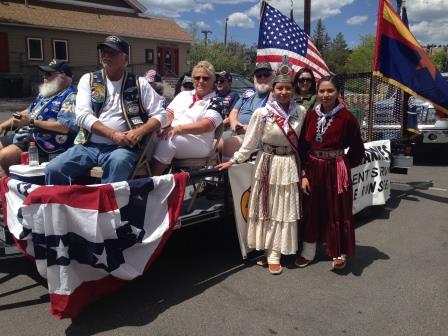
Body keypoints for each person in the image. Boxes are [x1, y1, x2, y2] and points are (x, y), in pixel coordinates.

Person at [216, 65, 306, 275]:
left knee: (282, 209)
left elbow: (303, 141)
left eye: (287, 88)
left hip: (288, 164)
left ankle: (276, 252)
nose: (283, 92)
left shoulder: (300, 112)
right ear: (273, 90)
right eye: (279, 88)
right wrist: (235, 160)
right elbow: (250, 142)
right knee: (266, 207)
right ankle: (267, 250)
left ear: (292, 89)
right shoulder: (262, 113)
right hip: (267, 162)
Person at [45, 35, 166, 184]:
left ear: (125, 60)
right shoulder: (88, 80)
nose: (106, 56)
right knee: (54, 168)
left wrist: (139, 132)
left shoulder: (139, 83)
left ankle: (109, 207)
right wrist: (113, 134)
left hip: (122, 148)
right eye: (104, 52)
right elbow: (82, 116)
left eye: (112, 53)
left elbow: (161, 114)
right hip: (88, 145)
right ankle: (60, 206)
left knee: (118, 162)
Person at [296, 75, 365, 270]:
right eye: (322, 91)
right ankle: (308, 252)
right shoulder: (311, 116)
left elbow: (358, 149)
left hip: (336, 169)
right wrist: (304, 174)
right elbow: (303, 147)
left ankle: (338, 251)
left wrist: (343, 165)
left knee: (337, 209)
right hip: (314, 167)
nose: (325, 95)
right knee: (311, 209)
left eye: (330, 91)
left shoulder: (347, 118)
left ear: (338, 93)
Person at [0, 59, 78, 177]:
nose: (44, 77)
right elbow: (28, 112)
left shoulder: (71, 96)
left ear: (63, 76)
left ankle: (6, 189)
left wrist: (32, 122)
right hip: (28, 136)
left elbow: (65, 127)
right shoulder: (46, 94)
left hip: (48, 142)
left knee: (4, 156)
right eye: (44, 74)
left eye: (48, 74)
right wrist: (2, 125)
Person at [150, 60, 223, 176]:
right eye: (197, 78)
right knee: (148, 136)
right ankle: (138, 179)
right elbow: (168, 115)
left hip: (200, 142)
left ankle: (150, 183)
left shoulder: (216, 101)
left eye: (206, 78)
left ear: (213, 80)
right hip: (176, 134)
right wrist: (159, 126)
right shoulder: (183, 95)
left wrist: (177, 129)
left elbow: (206, 126)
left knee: (169, 140)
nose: (201, 81)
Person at [221, 63, 273, 159]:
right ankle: (211, 172)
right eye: (259, 75)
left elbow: (270, 120)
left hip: (255, 137)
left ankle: (226, 173)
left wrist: (248, 129)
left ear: (272, 76)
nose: (262, 78)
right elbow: (234, 112)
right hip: (236, 130)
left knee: (230, 144)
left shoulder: (274, 96)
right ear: (254, 78)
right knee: (214, 142)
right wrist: (235, 125)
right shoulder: (248, 93)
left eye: (266, 75)